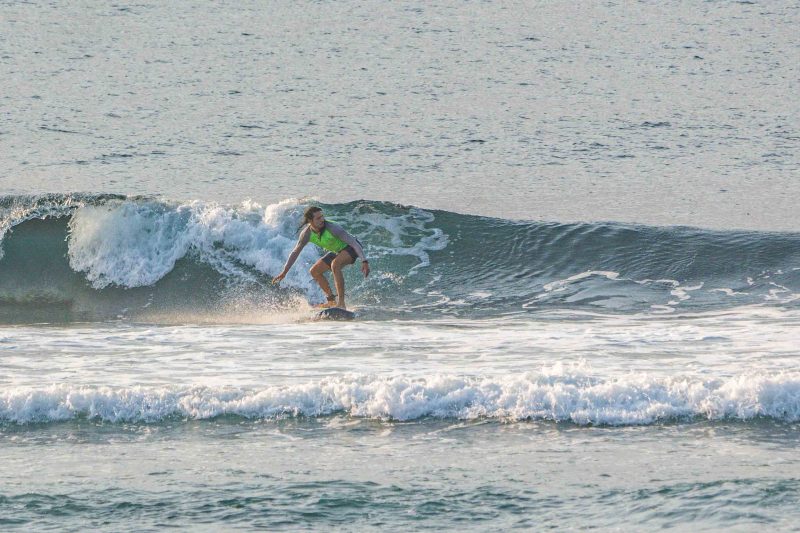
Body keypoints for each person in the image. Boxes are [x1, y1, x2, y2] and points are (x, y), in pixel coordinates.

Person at [272, 206, 369, 310]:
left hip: (352, 248)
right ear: (310, 221)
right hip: (337, 251)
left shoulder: (332, 228)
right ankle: (331, 301)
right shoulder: (306, 234)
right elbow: (295, 252)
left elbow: (354, 243)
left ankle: (341, 303)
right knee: (314, 271)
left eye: (322, 216)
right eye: (318, 218)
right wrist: (284, 272)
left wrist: (364, 261)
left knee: (335, 264)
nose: (322, 219)